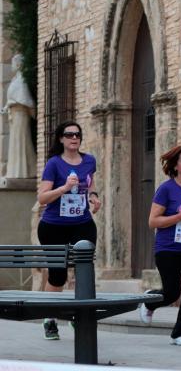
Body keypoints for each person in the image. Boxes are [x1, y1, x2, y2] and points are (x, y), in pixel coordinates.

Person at [139, 143, 181, 346]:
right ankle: (151, 300)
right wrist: (178, 217)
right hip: (168, 249)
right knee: (172, 293)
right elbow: (153, 221)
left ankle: (180, 333)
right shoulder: (166, 189)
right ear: (176, 166)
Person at [37, 120, 101, 340]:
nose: (74, 138)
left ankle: (78, 315)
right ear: (61, 139)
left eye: (77, 135)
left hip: (82, 223)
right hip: (53, 226)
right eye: (70, 134)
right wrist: (63, 188)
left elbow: (90, 184)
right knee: (58, 275)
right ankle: (50, 319)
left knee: (84, 270)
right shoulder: (54, 164)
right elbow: (42, 197)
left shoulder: (89, 161)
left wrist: (94, 197)